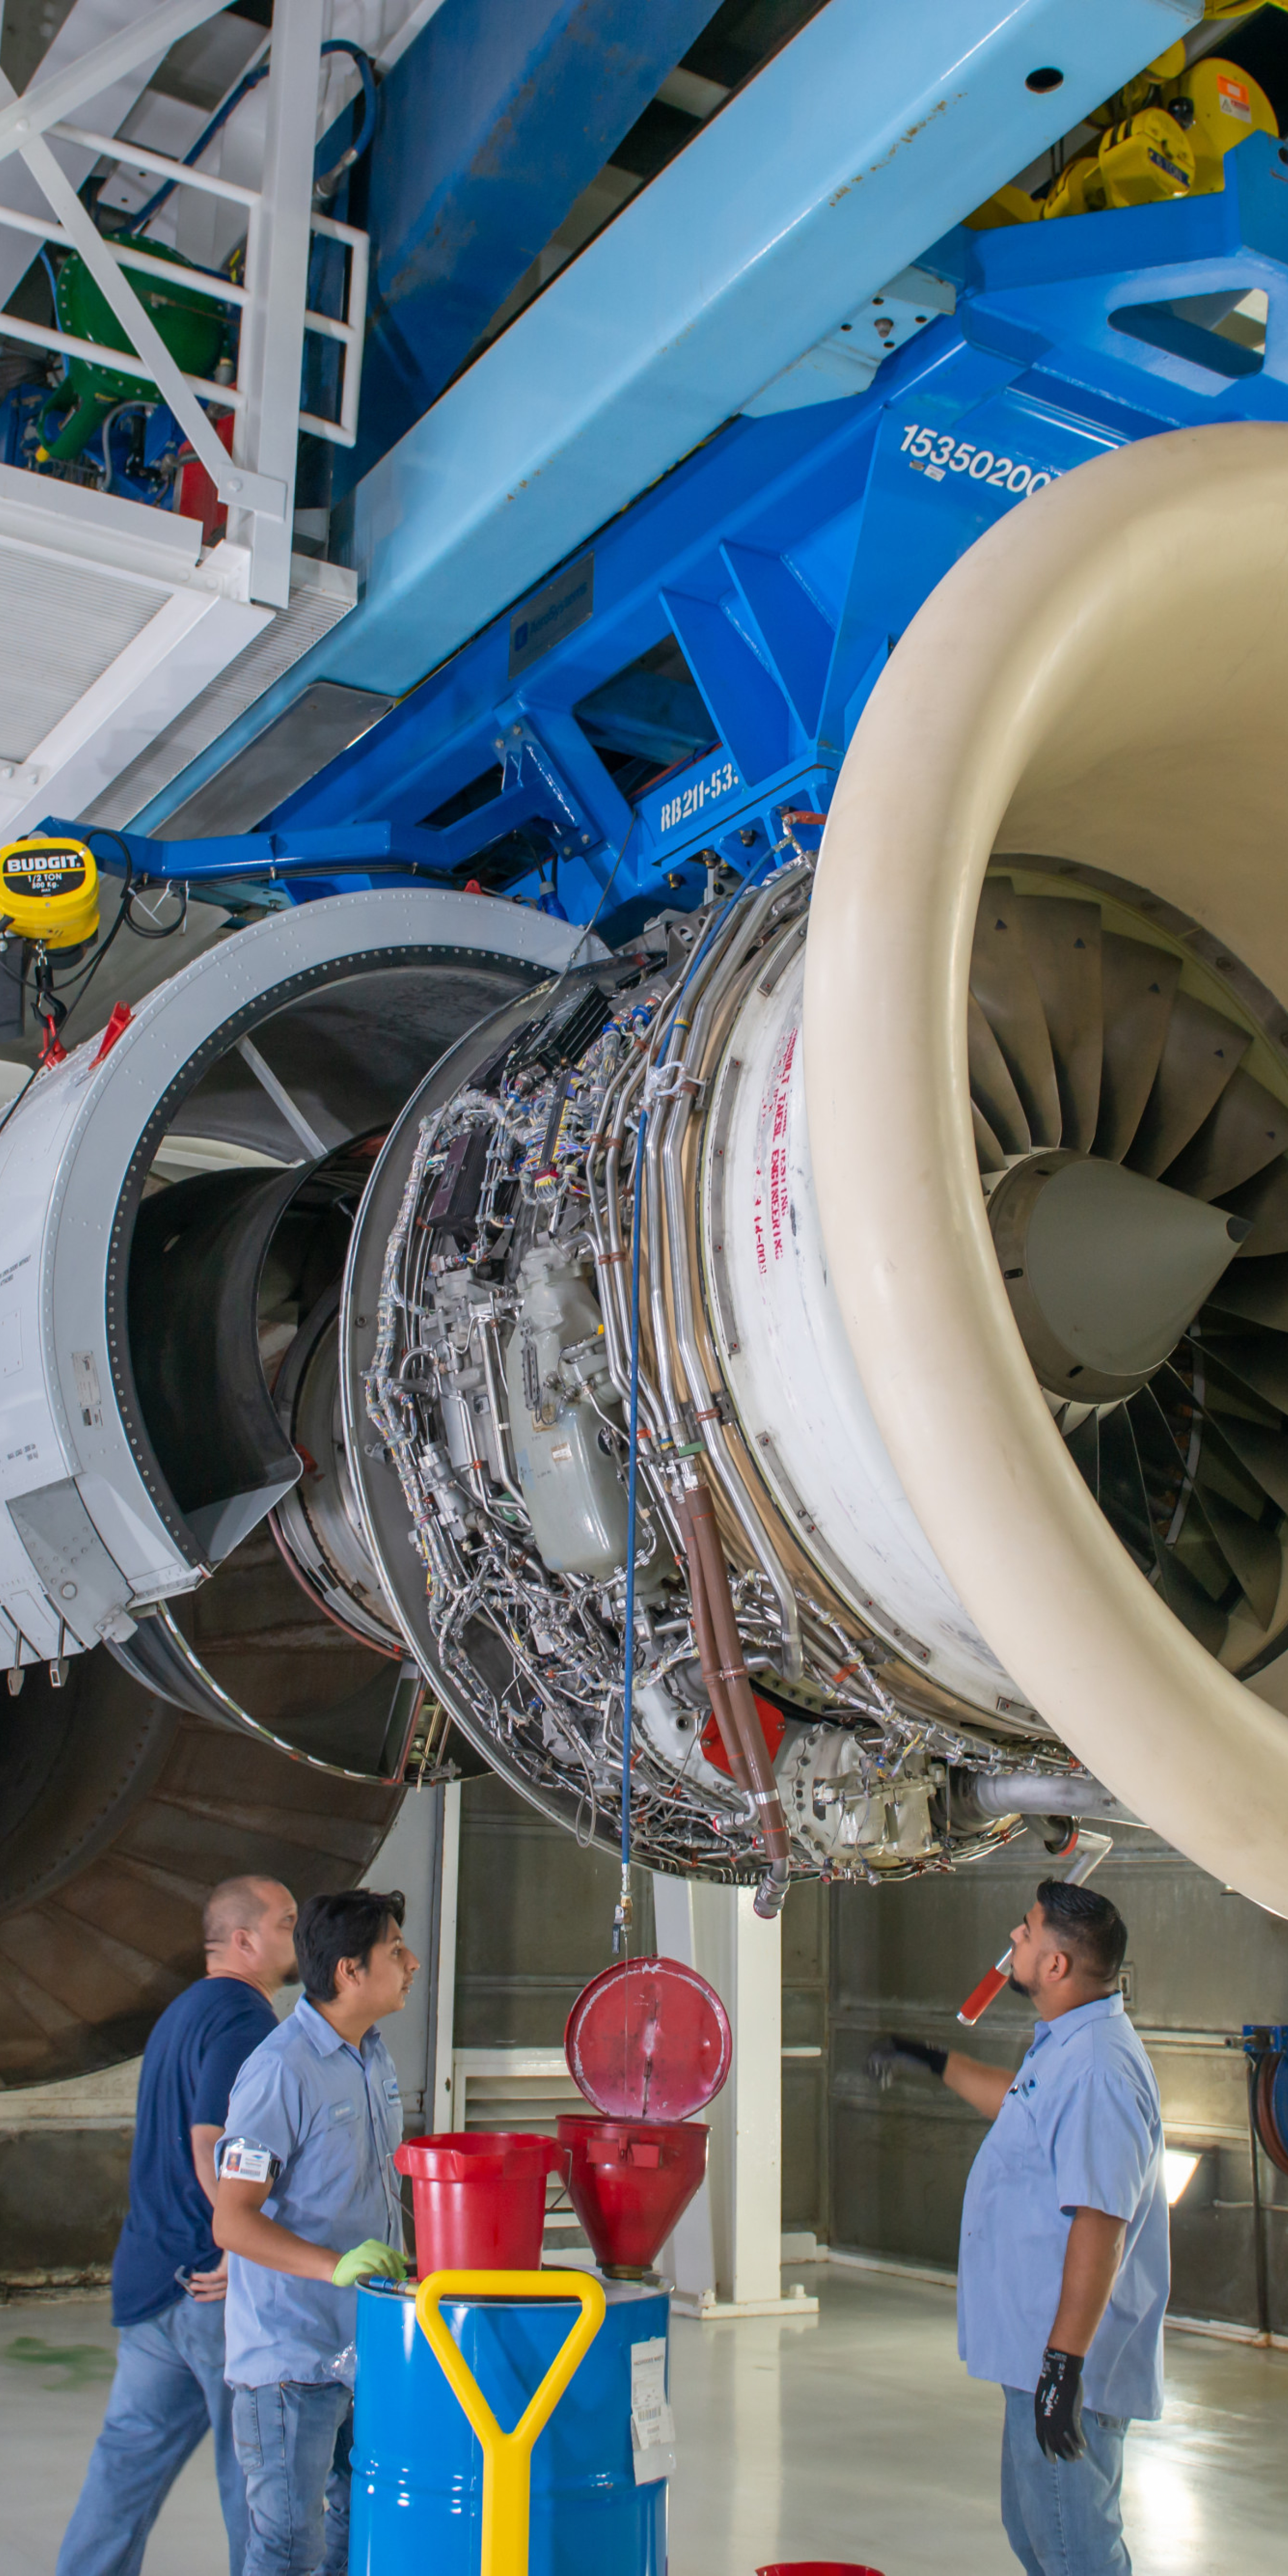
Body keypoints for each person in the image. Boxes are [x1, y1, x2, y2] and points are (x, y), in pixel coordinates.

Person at [868, 1879, 1166, 2576]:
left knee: (1072, 2551)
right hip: (1039, 2352)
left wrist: (1062, 2368)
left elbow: (1099, 2225)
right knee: (1037, 2535)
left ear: (1056, 1966)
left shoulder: (1095, 2068)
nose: (1013, 1938)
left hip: (1065, 2358)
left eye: (1026, 1933)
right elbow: (1019, 2103)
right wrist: (933, 2060)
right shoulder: (1070, 2044)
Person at [58, 1875, 300, 2576]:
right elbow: (210, 2141)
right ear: (245, 1940)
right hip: (212, 2291)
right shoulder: (244, 2018)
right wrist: (242, 2241)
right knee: (257, 2480)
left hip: (151, 2280)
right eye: (287, 1922)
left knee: (123, 2473)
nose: (299, 1935)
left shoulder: (183, 2012)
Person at [212, 1885, 420, 2576]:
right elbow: (232, 2219)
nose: (411, 1963)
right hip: (289, 2364)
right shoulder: (279, 2070)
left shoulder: (374, 2056)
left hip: (365, 2352)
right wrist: (333, 2265)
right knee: (286, 2547)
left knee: (359, 2534)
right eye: (395, 1951)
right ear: (348, 1971)